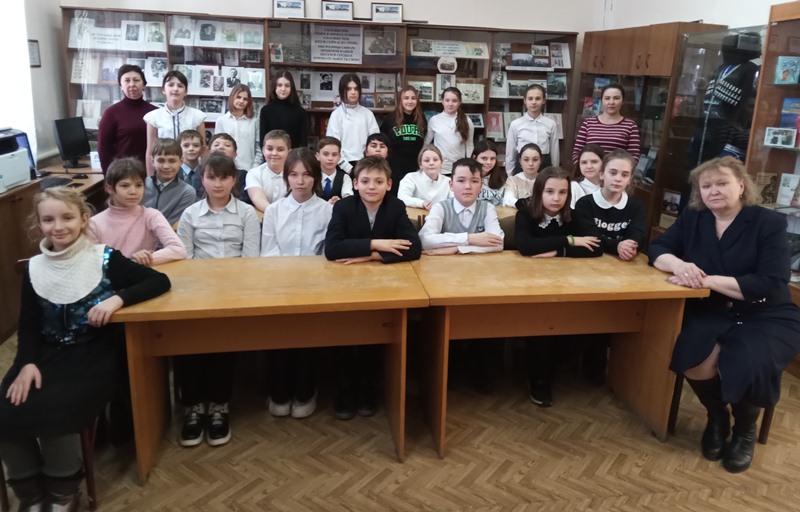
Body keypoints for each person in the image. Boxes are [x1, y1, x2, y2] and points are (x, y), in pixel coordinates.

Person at [0, 187, 170, 509]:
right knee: (7, 408)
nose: (58, 226)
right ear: (39, 224)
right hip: (45, 356)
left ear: (83, 219)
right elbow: (29, 325)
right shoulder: (34, 268)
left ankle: (63, 491)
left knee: (57, 409)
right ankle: (30, 494)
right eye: (48, 220)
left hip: (94, 355)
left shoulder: (104, 258)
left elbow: (158, 281)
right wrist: (26, 363)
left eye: (67, 217)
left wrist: (117, 299)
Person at [649, 156, 800, 473]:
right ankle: (717, 417)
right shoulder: (694, 218)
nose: (713, 190)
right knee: (692, 354)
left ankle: (744, 429)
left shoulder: (767, 223)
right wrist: (680, 265)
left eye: (722, 183)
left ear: (741, 186)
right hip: (711, 308)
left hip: (764, 312)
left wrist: (706, 280)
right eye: (706, 186)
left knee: (751, 359)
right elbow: (658, 248)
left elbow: (772, 282)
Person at [324, 156, 421, 419]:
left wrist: (372, 256)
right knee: (345, 335)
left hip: (382, 285)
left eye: (378, 182)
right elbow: (332, 249)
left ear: (389, 184)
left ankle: (368, 388)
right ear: (355, 183)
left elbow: (414, 248)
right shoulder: (344, 207)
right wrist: (376, 244)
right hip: (346, 284)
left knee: (375, 334)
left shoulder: (395, 206)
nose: (371, 187)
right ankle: (345, 388)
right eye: (365, 181)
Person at [176, 154, 260, 448]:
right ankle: (192, 406)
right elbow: (184, 260)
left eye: (224, 178)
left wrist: (231, 288)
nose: (218, 184)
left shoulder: (246, 213)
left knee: (223, 342)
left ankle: (219, 406)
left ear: (234, 180)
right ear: (202, 180)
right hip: (197, 290)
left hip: (235, 290)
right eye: (212, 177)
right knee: (186, 341)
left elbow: (250, 259)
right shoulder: (190, 214)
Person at [514, 167, 602, 406]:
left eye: (563, 192)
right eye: (550, 191)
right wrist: (569, 240)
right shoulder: (526, 213)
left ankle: (565, 368)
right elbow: (526, 246)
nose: (556, 198)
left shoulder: (574, 215)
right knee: (542, 322)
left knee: (578, 321)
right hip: (530, 285)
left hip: (567, 285)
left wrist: (558, 252)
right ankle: (539, 379)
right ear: (539, 192)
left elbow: (596, 247)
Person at [261, 148, 333, 419]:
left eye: (306, 175)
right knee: (279, 335)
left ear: (315, 177)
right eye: (293, 174)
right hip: (279, 284)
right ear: (286, 178)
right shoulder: (274, 211)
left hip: (316, 285)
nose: (300, 181)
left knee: (309, 336)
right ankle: (279, 390)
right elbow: (268, 251)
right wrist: (287, 279)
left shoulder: (327, 210)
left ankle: (306, 390)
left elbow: (327, 252)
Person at [89, 157, 186, 265]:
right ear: (109, 188)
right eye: (125, 186)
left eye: (139, 185)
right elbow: (91, 262)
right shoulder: (94, 223)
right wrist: (130, 262)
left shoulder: (151, 216)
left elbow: (178, 249)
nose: (133, 191)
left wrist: (146, 259)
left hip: (142, 273)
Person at [419, 157, 504, 255]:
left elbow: (498, 243)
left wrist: (457, 249)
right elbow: (425, 240)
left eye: (474, 181)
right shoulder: (440, 207)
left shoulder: (488, 208)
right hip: (445, 263)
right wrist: (469, 238)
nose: (468, 186)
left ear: (481, 186)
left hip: (479, 263)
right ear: (451, 185)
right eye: (461, 180)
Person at [575, 149, 646, 261]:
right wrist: (617, 246)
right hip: (590, 259)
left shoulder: (637, 206)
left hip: (623, 261)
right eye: (613, 173)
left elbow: (637, 235)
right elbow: (590, 238)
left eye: (624, 175)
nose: (618, 179)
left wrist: (629, 247)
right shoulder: (584, 204)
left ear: (630, 179)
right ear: (602, 174)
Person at [143, 70, 206, 175]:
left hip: (192, 172)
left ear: (186, 91)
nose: (175, 89)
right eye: (171, 85)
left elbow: (203, 149)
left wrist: (203, 174)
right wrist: (150, 178)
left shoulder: (197, 116)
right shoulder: (153, 117)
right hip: (164, 169)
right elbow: (150, 151)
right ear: (163, 90)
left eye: (180, 86)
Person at [97, 64, 157, 173]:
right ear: (121, 86)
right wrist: (109, 176)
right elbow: (103, 148)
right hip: (124, 174)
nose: (132, 84)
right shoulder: (111, 113)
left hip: (153, 172)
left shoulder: (155, 112)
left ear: (144, 84)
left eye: (136, 80)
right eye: (127, 80)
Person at [571, 83, 640, 166]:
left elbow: (634, 157)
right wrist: (587, 169)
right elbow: (576, 153)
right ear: (601, 100)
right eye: (607, 98)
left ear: (622, 101)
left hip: (615, 172)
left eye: (616, 98)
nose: (611, 102)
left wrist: (613, 171)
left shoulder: (630, 125)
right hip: (590, 171)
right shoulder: (588, 123)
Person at [325, 74, 380, 172]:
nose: (353, 92)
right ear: (342, 91)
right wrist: (347, 167)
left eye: (356, 89)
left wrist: (367, 164)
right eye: (349, 89)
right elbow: (332, 145)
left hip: (365, 165)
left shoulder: (368, 114)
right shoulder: (336, 115)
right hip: (342, 166)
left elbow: (375, 141)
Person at [505, 84, 559, 174]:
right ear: (525, 101)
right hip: (522, 164)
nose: (534, 102)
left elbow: (555, 151)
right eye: (530, 98)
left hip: (544, 165)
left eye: (538, 98)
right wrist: (510, 174)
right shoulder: (515, 124)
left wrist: (554, 172)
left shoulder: (551, 124)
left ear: (543, 100)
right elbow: (510, 152)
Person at [143, 138, 198, 225]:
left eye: (172, 161)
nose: (166, 166)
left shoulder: (187, 192)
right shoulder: (142, 185)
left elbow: (174, 224)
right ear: (153, 162)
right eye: (161, 161)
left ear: (181, 162)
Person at [380, 85, 426, 188]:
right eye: (406, 98)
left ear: (417, 101)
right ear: (400, 100)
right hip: (394, 167)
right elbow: (383, 142)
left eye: (413, 98)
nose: (410, 101)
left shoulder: (421, 119)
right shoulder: (390, 119)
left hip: (415, 167)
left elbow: (424, 142)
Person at [425, 87, 474, 175]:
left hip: (459, 168)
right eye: (447, 100)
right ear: (442, 101)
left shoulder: (467, 120)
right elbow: (426, 143)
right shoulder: (434, 120)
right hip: (439, 168)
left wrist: (468, 164)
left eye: (454, 101)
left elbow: (469, 145)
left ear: (459, 102)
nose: (450, 104)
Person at [258, 71, 308, 155]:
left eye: (287, 85)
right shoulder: (266, 111)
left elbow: (303, 142)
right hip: (272, 156)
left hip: (293, 158)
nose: (283, 89)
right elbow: (263, 140)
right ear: (274, 87)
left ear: (291, 88)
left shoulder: (300, 112)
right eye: (279, 85)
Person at [215, 84, 259, 171]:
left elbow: (258, 147)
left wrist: (255, 168)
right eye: (238, 97)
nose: (241, 101)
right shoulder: (221, 120)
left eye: (245, 99)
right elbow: (217, 147)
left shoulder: (254, 121)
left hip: (248, 168)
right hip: (226, 168)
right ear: (232, 98)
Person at [246, 129, 290, 211]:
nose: (274, 153)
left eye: (280, 150)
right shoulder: (253, 173)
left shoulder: (295, 174)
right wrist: (277, 215)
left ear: (289, 152)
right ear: (263, 150)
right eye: (270, 149)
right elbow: (258, 199)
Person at [397, 145, 450, 210]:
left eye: (435, 160)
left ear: (441, 163)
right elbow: (402, 197)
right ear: (420, 165)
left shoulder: (448, 181)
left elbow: (455, 202)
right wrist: (422, 203)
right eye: (427, 160)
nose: (431, 163)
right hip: (415, 216)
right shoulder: (410, 178)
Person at [208, 133, 252, 205]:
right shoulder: (200, 173)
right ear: (209, 152)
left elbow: (244, 199)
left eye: (227, 145)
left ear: (235, 154)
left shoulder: (243, 175)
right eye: (216, 145)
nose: (221, 147)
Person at [316, 137, 353, 204]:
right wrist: (327, 205)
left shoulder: (345, 178)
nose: (330, 158)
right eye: (326, 154)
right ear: (317, 156)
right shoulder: (312, 176)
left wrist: (340, 202)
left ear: (339, 157)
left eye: (334, 154)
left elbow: (349, 199)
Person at [473, 140, 506, 206]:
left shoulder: (500, 179)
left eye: (492, 158)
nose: (489, 162)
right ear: (474, 158)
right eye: (484, 158)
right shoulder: (466, 179)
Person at [178, 129, 204, 197]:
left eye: (196, 145)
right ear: (179, 148)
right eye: (186, 146)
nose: (191, 149)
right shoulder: (173, 173)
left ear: (202, 149)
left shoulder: (205, 171)